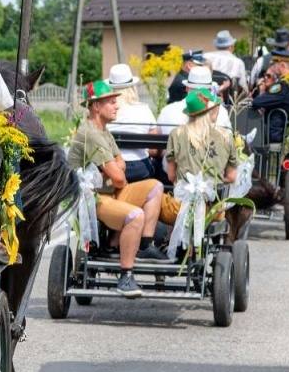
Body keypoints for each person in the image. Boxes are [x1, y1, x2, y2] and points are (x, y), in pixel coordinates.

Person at [68, 80, 177, 296]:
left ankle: (145, 245)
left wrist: (113, 169)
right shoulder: (91, 133)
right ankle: (126, 276)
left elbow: (122, 165)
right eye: (111, 102)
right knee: (135, 215)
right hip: (94, 198)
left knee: (155, 186)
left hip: (110, 192)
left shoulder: (104, 131)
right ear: (96, 106)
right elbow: (119, 178)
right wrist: (114, 170)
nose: (117, 105)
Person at [163, 85, 242, 254]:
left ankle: (164, 243)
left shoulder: (176, 134)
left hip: (179, 203)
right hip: (212, 208)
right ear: (211, 111)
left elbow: (171, 176)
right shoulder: (226, 136)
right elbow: (232, 176)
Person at [104, 62, 160, 183]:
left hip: (112, 168)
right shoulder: (144, 109)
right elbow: (154, 150)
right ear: (132, 87)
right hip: (141, 168)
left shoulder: (106, 110)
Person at [249, 45, 289, 146]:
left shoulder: (282, 87)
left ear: (282, 66)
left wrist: (262, 90)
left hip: (273, 135)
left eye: (274, 64)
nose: (271, 67)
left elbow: (257, 102)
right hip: (280, 132)